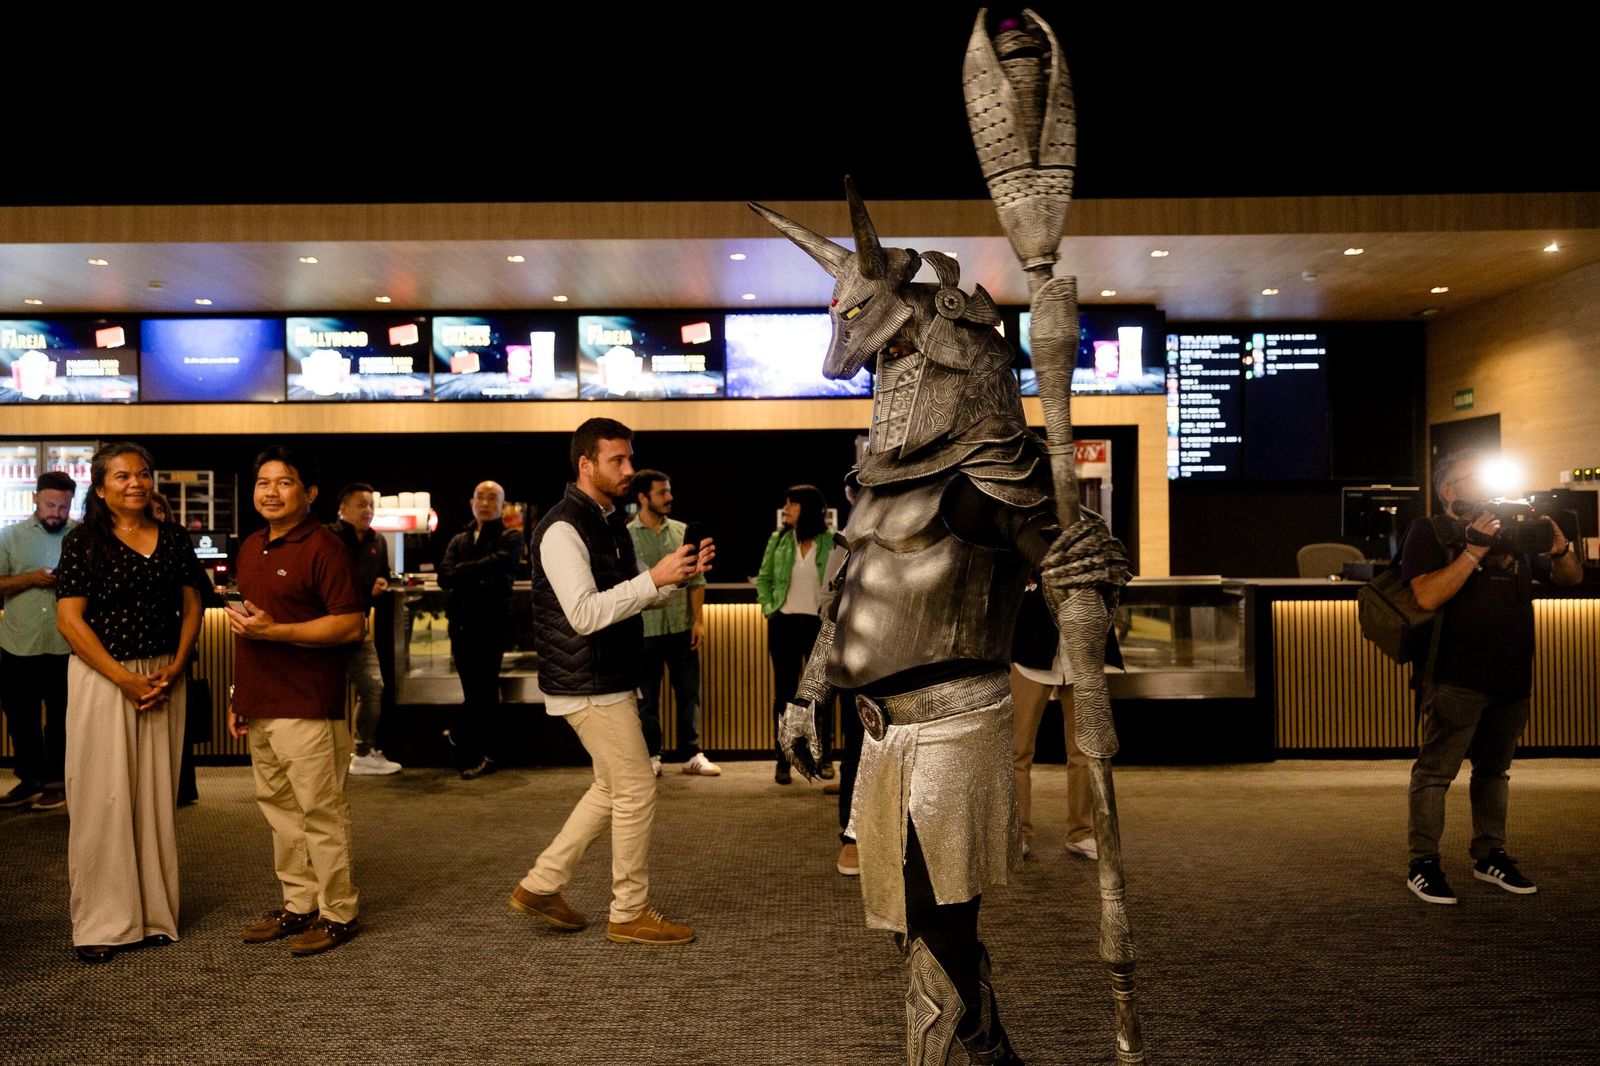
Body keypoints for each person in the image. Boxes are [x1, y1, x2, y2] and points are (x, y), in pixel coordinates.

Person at [755, 189, 1129, 1063]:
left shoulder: (987, 475)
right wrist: (808, 697)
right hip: (879, 731)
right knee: (904, 916)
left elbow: (1057, 553)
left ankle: (971, 1053)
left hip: (954, 725)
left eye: (893, 353)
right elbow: (845, 597)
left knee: (937, 917)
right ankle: (992, 1046)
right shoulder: (879, 485)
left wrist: (1077, 564)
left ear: (944, 352)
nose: (882, 377)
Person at [508, 417, 709, 946]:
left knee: (611, 786)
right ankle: (628, 911)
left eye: (629, 458)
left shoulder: (607, 522)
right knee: (637, 787)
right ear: (586, 465)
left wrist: (672, 580)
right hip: (588, 683)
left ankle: (542, 884)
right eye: (616, 460)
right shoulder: (561, 528)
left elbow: (628, 598)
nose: (628, 469)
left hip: (608, 677)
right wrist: (653, 579)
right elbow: (584, 614)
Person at [1400, 450, 1583, 905]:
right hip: (1455, 675)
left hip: (1513, 673)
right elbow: (1426, 596)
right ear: (1449, 490)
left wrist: (1560, 550)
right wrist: (1474, 551)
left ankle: (1490, 855)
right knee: (1435, 773)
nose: (1487, 486)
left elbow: (1569, 579)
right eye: (1475, 478)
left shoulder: (1513, 529)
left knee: (1494, 772)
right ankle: (1423, 863)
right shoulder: (1429, 531)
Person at [53, 443, 206, 963]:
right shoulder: (83, 541)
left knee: (156, 797)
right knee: (103, 797)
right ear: (100, 488)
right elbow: (69, 620)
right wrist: (124, 679)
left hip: (163, 675)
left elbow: (192, 603)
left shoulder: (173, 537)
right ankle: (102, 922)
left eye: (142, 474)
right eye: (122, 476)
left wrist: (177, 666)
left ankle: (154, 914)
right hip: (104, 677)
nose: (135, 483)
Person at [227, 446, 367, 956]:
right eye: (263, 482)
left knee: (320, 812)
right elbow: (249, 628)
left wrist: (278, 632)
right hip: (261, 699)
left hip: (308, 703)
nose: (271, 492)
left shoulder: (325, 547)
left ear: (309, 493)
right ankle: (299, 902)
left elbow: (350, 624)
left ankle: (338, 912)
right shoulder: (252, 545)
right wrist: (240, 695)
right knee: (280, 811)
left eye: (284, 482)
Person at [626, 468, 719, 777]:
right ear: (643, 497)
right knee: (646, 698)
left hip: (681, 626)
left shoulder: (681, 531)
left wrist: (698, 622)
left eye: (669, 491)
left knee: (689, 694)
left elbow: (697, 579)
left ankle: (692, 754)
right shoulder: (626, 534)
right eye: (662, 492)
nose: (669, 497)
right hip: (644, 629)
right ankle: (652, 755)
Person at [0, 471, 77, 813]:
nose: (56, 513)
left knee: (62, 719)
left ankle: (57, 783)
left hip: (67, 644)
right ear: (35, 499)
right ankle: (29, 779)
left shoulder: (81, 537)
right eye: (50, 505)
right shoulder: (9, 536)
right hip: (19, 642)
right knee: (20, 717)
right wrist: (30, 578)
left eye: (63, 507)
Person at [438, 480, 523, 779]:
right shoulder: (459, 539)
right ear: (471, 502)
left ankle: (472, 745)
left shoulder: (511, 536)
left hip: (493, 623)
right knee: (473, 689)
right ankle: (479, 751)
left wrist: (462, 571)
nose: (485, 503)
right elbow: (443, 577)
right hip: (461, 624)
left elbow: (500, 565)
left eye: (492, 498)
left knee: (484, 688)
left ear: (502, 505)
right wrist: (475, 572)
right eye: (480, 497)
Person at [1009, 579, 1096, 861]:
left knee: (1085, 750)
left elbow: (1116, 588)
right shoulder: (1026, 552)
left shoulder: (1090, 552)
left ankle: (1081, 832)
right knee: (1017, 751)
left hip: (1081, 654)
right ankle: (1018, 833)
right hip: (1029, 653)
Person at [755, 483, 835, 785]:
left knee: (820, 696)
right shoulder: (779, 540)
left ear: (807, 508)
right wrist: (769, 608)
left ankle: (823, 757)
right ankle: (784, 760)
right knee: (785, 695)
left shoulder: (830, 540)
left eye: (792, 504)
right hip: (784, 624)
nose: (786, 509)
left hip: (819, 625)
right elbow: (764, 578)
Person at [329, 482, 400, 776]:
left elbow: (381, 575)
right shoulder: (327, 538)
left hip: (358, 627)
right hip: (326, 627)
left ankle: (363, 752)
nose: (368, 510)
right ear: (343, 508)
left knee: (373, 687)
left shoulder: (377, 541)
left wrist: (382, 583)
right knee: (326, 693)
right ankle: (325, 755)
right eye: (361, 504)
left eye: (371, 504)